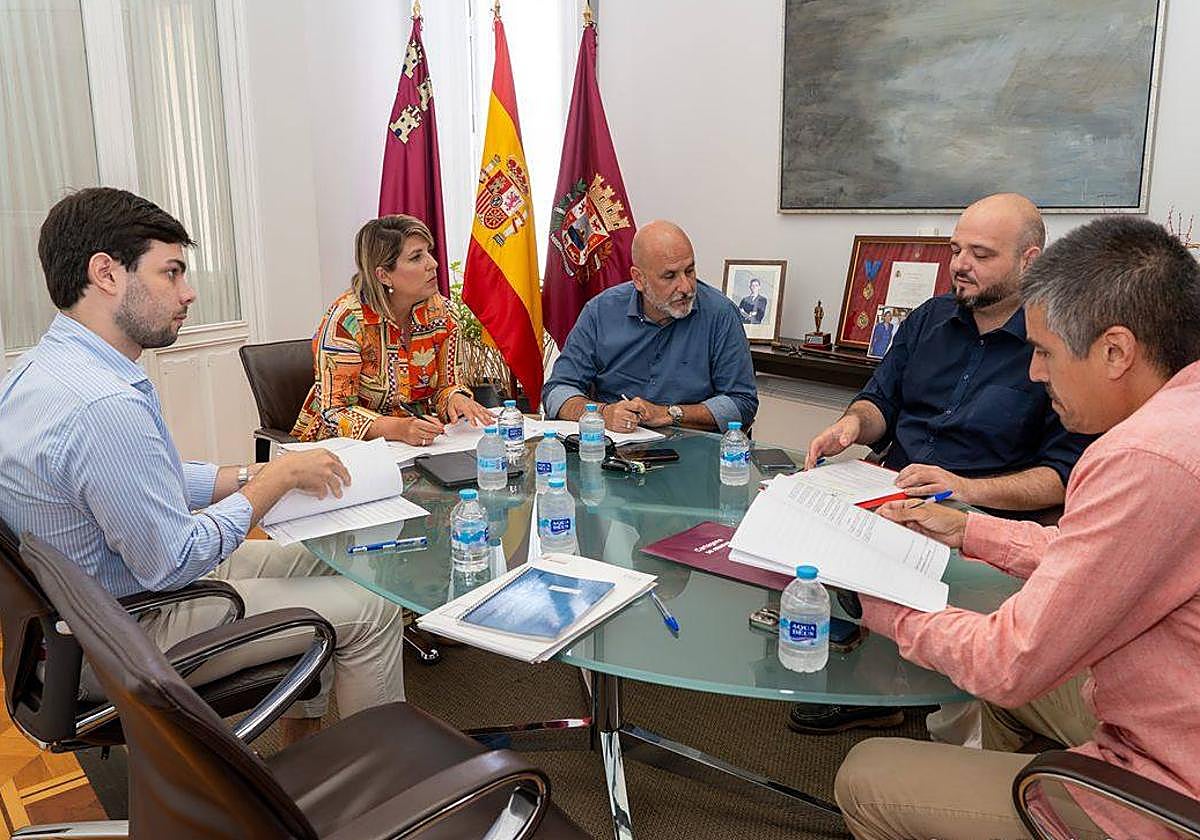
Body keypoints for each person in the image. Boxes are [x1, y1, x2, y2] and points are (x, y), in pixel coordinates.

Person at [835, 216, 1200, 840]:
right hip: (1168, 705)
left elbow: (1008, 661)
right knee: (1005, 699)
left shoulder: (1140, 458)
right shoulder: (1179, 419)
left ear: (1115, 351)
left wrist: (876, 600)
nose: (1034, 374)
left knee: (864, 774)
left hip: (1165, 783)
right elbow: (1100, 555)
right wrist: (967, 531)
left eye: (1045, 352)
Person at [0, 188, 405, 745]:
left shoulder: (43, 370)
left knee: (323, 556)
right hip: (132, 630)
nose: (188, 293)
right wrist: (273, 481)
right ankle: (376, 791)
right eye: (171, 273)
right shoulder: (103, 405)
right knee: (374, 611)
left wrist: (243, 477)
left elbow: (142, 479)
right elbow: (175, 558)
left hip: (86, 616)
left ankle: (302, 750)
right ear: (106, 274)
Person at [791, 193, 1094, 736]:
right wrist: (852, 427)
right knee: (788, 508)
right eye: (956, 250)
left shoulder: (1055, 343)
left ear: (1030, 261)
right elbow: (879, 401)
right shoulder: (929, 318)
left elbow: (1063, 477)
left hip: (981, 521)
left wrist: (967, 490)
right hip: (889, 489)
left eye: (980, 254)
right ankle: (872, 680)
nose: (959, 265)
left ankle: (912, 694)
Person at [291, 214, 493, 446]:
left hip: (414, 445)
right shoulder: (347, 321)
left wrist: (455, 398)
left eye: (428, 252)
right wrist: (399, 429)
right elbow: (335, 412)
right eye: (417, 257)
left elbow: (446, 386)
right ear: (384, 275)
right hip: (340, 450)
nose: (433, 263)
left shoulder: (443, 314)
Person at [542, 219, 757, 432]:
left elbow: (742, 403)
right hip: (614, 449)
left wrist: (668, 414)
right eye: (670, 276)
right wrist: (602, 414)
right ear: (639, 279)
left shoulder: (720, 314)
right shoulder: (601, 311)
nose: (686, 287)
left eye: (689, 271)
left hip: (693, 448)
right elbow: (556, 391)